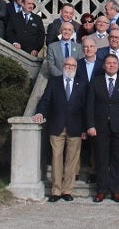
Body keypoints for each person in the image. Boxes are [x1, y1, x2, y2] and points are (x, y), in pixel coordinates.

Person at [33, 57, 86, 202]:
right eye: (67, 64)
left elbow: (86, 107)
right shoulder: (54, 81)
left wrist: (85, 128)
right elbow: (45, 100)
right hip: (57, 126)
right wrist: (39, 113)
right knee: (56, 158)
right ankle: (56, 190)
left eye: (72, 65)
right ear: (63, 66)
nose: (69, 67)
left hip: (75, 127)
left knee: (71, 160)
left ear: (76, 67)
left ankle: (67, 190)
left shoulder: (81, 83)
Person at [85, 54, 119, 202]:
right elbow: (89, 106)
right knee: (101, 160)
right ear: (104, 66)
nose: (111, 65)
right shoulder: (95, 82)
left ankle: (115, 191)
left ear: (118, 66)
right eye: (108, 63)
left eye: (114, 63)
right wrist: (90, 125)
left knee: (117, 160)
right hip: (100, 127)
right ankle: (101, 190)